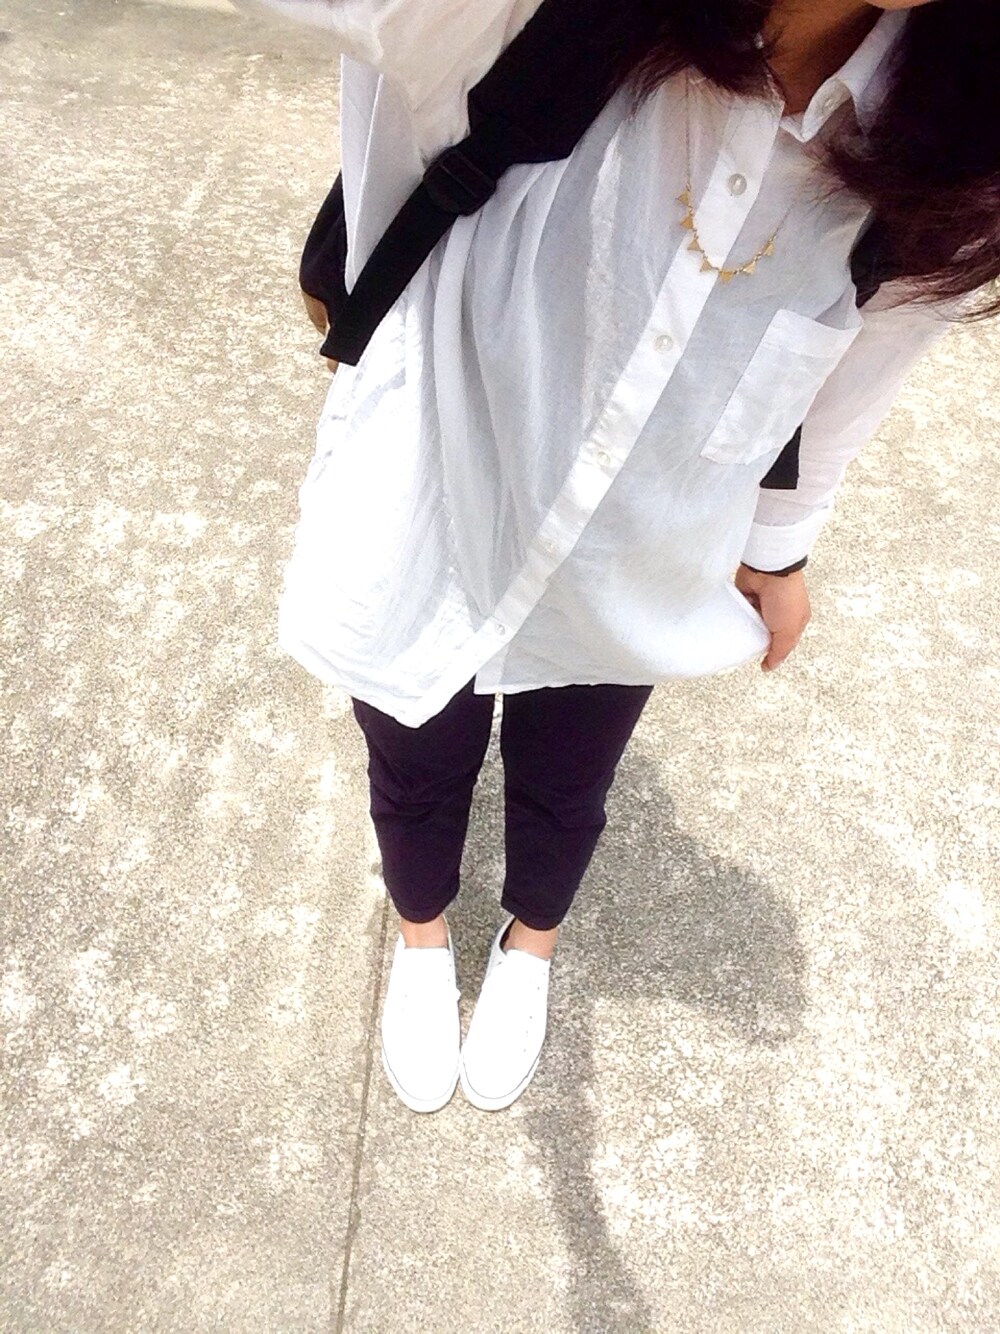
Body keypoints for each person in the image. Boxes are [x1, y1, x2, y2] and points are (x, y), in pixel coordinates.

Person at [260, 0, 1000, 1112]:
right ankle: (421, 934)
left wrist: (780, 549)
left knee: (573, 774)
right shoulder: (531, 20)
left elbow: (856, 364)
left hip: (648, 542)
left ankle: (530, 943)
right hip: (436, 504)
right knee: (413, 754)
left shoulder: (946, 127)